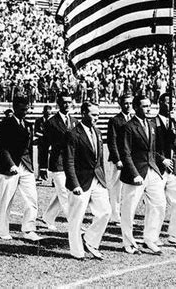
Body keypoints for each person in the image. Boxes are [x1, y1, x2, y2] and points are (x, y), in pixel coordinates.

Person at [63, 101, 110, 260]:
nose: (97, 118)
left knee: (105, 212)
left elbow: (100, 159)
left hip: (97, 179)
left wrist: (103, 180)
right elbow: (68, 162)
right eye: (93, 114)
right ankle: (77, 251)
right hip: (80, 182)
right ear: (83, 113)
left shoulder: (97, 132)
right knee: (76, 218)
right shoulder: (72, 133)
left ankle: (90, 240)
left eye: (98, 114)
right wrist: (74, 184)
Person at [120, 95, 166, 255]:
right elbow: (125, 153)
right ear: (135, 107)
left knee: (159, 204)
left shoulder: (151, 124)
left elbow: (152, 151)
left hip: (152, 170)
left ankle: (150, 239)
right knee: (129, 209)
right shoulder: (128, 127)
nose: (148, 109)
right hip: (135, 173)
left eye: (149, 106)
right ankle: (128, 242)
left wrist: (161, 161)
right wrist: (134, 174)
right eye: (144, 106)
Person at [0, 96, 42, 241]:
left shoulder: (29, 124)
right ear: (15, 108)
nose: (25, 112)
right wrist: (11, 164)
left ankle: (29, 229)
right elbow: (3, 147)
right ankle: (2, 230)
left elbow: (29, 147)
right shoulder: (5, 124)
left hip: (26, 166)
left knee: (32, 198)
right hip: (10, 166)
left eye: (27, 109)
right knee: (6, 199)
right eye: (22, 109)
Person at [154, 93, 176, 248]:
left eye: (174, 103)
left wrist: (175, 121)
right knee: (157, 205)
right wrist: (161, 159)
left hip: (174, 168)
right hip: (158, 168)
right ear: (160, 103)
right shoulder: (152, 122)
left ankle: (175, 234)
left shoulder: (175, 123)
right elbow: (146, 148)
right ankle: (152, 236)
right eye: (168, 102)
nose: (172, 105)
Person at [41, 92, 77, 231]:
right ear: (58, 104)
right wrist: (43, 167)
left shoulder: (74, 121)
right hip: (58, 163)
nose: (67, 105)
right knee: (64, 193)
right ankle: (75, 224)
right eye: (64, 102)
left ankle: (48, 216)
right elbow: (44, 146)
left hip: (72, 163)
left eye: (69, 102)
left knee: (64, 192)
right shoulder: (51, 122)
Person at [106, 94, 132, 225]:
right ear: (120, 104)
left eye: (130, 103)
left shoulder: (133, 119)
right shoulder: (115, 120)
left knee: (129, 188)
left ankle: (126, 214)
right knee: (116, 188)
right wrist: (117, 160)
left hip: (131, 159)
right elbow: (112, 141)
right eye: (126, 103)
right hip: (119, 160)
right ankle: (115, 215)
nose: (128, 106)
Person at [34, 105, 52, 183]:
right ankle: (40, 177)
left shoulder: (53, 121)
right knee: (41, 160)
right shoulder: (38, 121)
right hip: (42, 143)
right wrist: (44, 136)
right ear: (43, 112)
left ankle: (53, 179)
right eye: (46, 113)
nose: (48, 115)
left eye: (49, 113)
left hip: (51, 143)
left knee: (51, 161)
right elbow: (36, 132)